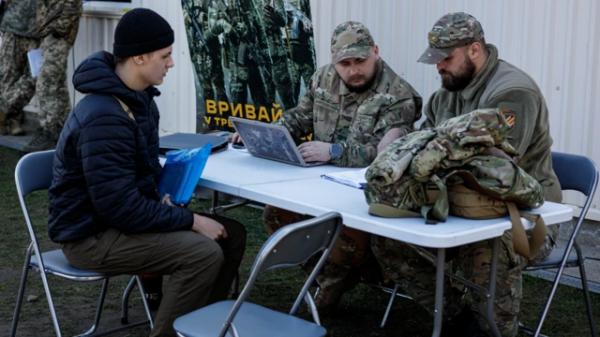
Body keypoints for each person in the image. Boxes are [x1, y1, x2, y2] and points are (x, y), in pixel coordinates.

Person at [47, 8, 246, 337]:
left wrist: (163, 199)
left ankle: (196, 328)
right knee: (203, 253)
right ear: (139, 58)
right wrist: (191, 220)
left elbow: (137, 180)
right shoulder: (104, 116)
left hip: (116, 223)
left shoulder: (138, 102)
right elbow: (118, 207)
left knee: (231, 234)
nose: (171, 63)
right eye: (165, 56)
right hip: (90, 237)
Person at [371, 12, 561, 337]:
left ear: (475, 50)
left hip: (522, 213)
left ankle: (493, 330)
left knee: (487, 251)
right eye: (436, 59)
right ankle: (458, 320)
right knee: (387, 237)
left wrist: (433, 153)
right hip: (460, 203)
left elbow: (497, 166)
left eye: (446, 58)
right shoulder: (446, 93)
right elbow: (423, 144)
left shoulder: (513, 93)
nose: (439, 67)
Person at [234, 21, 422, 312]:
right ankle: (327, 277)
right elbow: (301, 116)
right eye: (344, 63)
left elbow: (391, 155)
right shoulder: (323, 78)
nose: (353, 70)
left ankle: (335, 283)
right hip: (318, 184)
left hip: (363, 196)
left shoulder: (399, 95)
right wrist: (266, 132)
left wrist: (335, 151)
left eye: (360, 60)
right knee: (275, 217)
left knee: (346, 239)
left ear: (376, 52)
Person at [0, 0, 82, 151]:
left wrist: (58, 28)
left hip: (57, 31)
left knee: (46, 81)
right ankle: (62, 129)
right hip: (46, 31)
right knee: (54, 83)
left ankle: (51, 131)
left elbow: (70, 6)